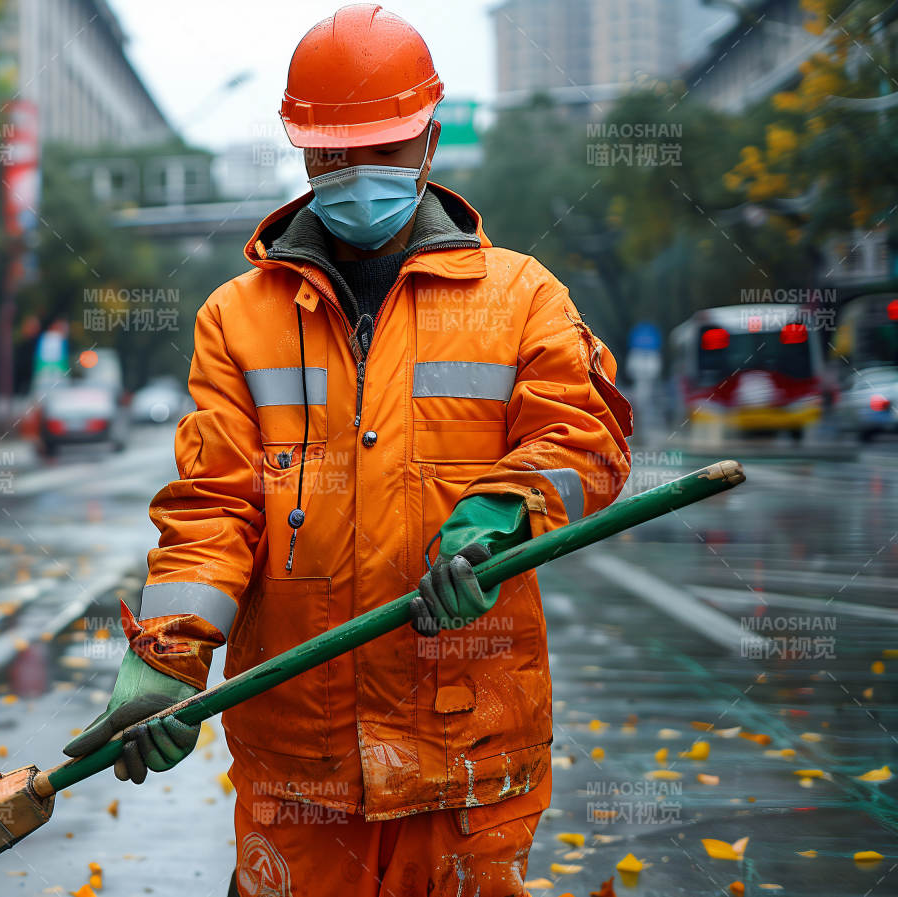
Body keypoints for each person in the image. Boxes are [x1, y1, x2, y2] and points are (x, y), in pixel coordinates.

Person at [62, 5, 634, 895]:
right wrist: (168, 657)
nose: (357, 173)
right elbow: (216, 504)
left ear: (431, 143)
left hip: (466, 753)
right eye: (333, 153)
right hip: (299, 756)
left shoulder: (522, 299)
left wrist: (502, 512)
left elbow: (583, 437)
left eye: (384, 150)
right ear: (301, 150)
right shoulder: (238, 319)